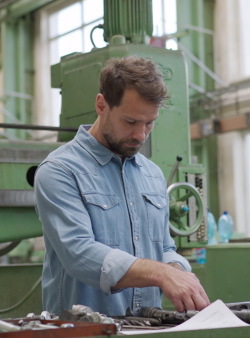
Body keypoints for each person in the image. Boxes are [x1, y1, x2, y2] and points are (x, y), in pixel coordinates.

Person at [34, 56, 210, 317]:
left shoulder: (152, 174)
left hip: (148, 328)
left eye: (149, 123)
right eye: (130, 122)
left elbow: (164, 248)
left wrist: (178, 271)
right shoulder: (60, 170)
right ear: (101, 105)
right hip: (84, 332)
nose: (141, 135)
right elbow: (79, 254)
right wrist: (160, 273)